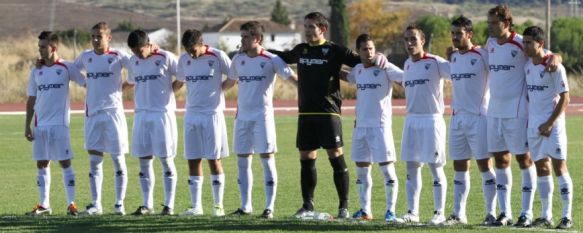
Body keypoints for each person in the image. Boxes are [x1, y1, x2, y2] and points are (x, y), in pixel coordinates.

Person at [271, 11, 388, 219]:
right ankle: (307, 205)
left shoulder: (335, 50)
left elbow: (360, 60)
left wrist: (379, 57)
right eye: (305, 26)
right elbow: (283, 56)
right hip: (306, 113)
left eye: (311, 27)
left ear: (322, 29)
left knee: (335, 156)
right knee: (306, 157)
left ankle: (343, 206)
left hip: (328, 113)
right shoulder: (301, 50)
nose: (307, 31)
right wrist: (261, 50)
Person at [484, 5, 560, 227]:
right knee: (500, 160)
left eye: (494, 23)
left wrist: (557, 56)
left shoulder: (521, 42)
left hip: (517, 112)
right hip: (494, 112)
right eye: (488, 23)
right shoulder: (490, 44)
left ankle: (526, 212)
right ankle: (504, 212)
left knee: (523, 159)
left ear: (506, 23)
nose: (490, 27)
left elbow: (547, 55)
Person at [222, 21, 297, 219]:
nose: (242, 40)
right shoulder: (238, 59)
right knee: (242, 161)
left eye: (246, 37)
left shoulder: (272, 59)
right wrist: (209, 92)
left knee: (266, 159)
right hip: (242, 118)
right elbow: (229, 83)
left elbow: (293, 79)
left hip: (262, 119)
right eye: (241, 36)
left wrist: (312, 93)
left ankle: (269, 208)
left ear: (257, 38)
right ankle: (245, 206)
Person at [24, 31, 85, 216]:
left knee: (65, 163)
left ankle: (71, 204)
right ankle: (44, 205)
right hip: (40, 125)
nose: (40, 50)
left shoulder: (67, 67)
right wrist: (27, 125)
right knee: (42, 164)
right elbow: (31, 98)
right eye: (39, 47)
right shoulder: (36, 70)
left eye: (43, 47)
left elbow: (87, 83)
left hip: (60, 125)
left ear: (54, 47)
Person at [343, 34, 403, 222]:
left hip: (380, 128)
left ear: (375, 49)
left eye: (371, 48)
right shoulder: (358, 70)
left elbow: (404, 78)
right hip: (360, 127)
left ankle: (390, 211)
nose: (368, 52)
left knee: (387, 171)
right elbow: (347, 76)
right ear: (358, 52)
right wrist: (327, 65)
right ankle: (365, 210)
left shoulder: (385, 67)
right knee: (361, 172)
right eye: (364, 49)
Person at [444, 16, 497, 226]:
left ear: (470, 34)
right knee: (459, 165)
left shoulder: (483, 55)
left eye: (459, 33)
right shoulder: (454, 58)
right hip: (457, 119)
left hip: (479, 118)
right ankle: (459, 214)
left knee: (485, 165)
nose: (455, 37)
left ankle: (491, 213)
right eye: (453, 33)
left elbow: (503, 69)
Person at [396, 24, 450, 225]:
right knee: (411, 167)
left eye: (413, 39)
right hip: (411, 120)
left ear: (422, 41)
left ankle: (439, 213)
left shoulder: (436, 62)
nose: (409, 43)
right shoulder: (407, 64)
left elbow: (459, 74)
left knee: (435, 168)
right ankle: (412, 212)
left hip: (431, 120)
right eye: (406, 39)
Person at [74, 22, 130, 216]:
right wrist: (84, 83)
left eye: (99, 36)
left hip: (113, 113)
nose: (96, 39)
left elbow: (138, 67)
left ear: (109, 38)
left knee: (118, 159)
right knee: (94, 160)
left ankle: (119, 204)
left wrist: (126, 85)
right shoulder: (85, 57)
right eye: (93, 36)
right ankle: (96, 204)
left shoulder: (118, 56)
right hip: (93, 114)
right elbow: (71, 70)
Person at [174, 29, 231, 217]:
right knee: (193, 159)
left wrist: (220, 89)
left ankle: (218, 205)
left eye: (193, 49)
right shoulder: (184, 60)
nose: (191, 53)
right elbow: (178, 82)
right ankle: (196, 206)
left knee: (214, 160)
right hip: (191, 114)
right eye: (187, 49)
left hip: (211, 114)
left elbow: (234, 75)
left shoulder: (217, 55)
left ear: (201, 43)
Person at [522, 26, 573, 229]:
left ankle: (566, 216)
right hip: (534, 125)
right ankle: (546, 215)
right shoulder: (527, 66)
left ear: (540, 44)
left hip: (554, 125)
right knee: (542, 167)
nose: (524, 46)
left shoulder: (554, 67)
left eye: (528, 42)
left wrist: (550, 123)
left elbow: (566, 98)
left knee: (560, 167)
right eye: (523, 42)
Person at [126, 29, 179, 216]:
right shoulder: (133, 61)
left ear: (148, 44)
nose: (137, 55)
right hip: (141, 115)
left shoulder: (166, 57)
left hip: (162, 114)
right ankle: (147, 204)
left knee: (166, 159)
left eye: (140, 50)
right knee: (144, 160)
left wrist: (170, 91)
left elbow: (182, 76)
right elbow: (132, 81)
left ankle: (169, 205)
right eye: (134, 51)